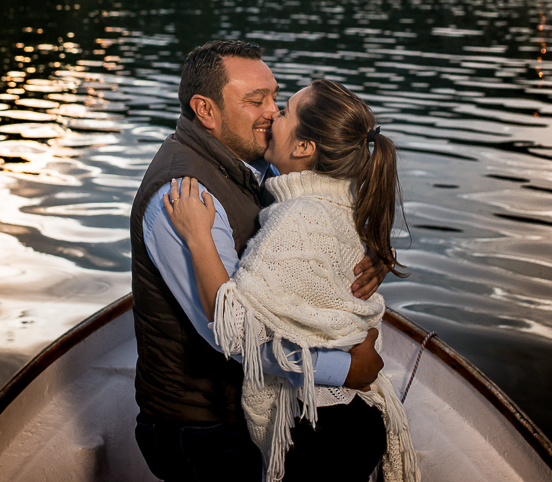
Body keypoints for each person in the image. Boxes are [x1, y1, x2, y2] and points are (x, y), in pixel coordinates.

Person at [130, 41, 389, 482]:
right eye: (256, 101)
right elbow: (232, 336)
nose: (271, 112)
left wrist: (371, 252)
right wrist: (348, 370)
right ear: (205, 110)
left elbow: (324, 203)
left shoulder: (258, 165)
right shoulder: (184, 197)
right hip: (204, 428)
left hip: (264, 402)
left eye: (275, 97)